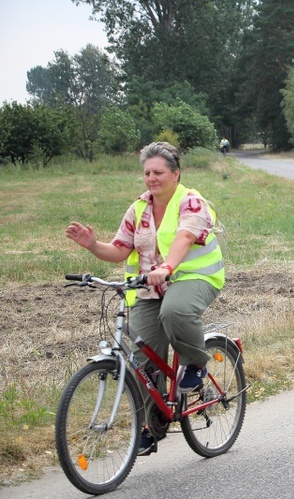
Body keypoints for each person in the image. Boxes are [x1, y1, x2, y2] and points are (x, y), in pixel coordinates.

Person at [65, 141, 225, 455]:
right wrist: (92, 245)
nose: (151, 178)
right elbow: (120, 249)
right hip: (149, 287)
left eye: (159, 172)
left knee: (175, 311)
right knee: (141, 360)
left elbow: (185, 236)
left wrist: (167, 266)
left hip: (194, 277)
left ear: (176, 173)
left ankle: (196, 363)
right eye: (147, 172)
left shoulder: (191, 201)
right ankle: (154, 425)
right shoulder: (138, 208)